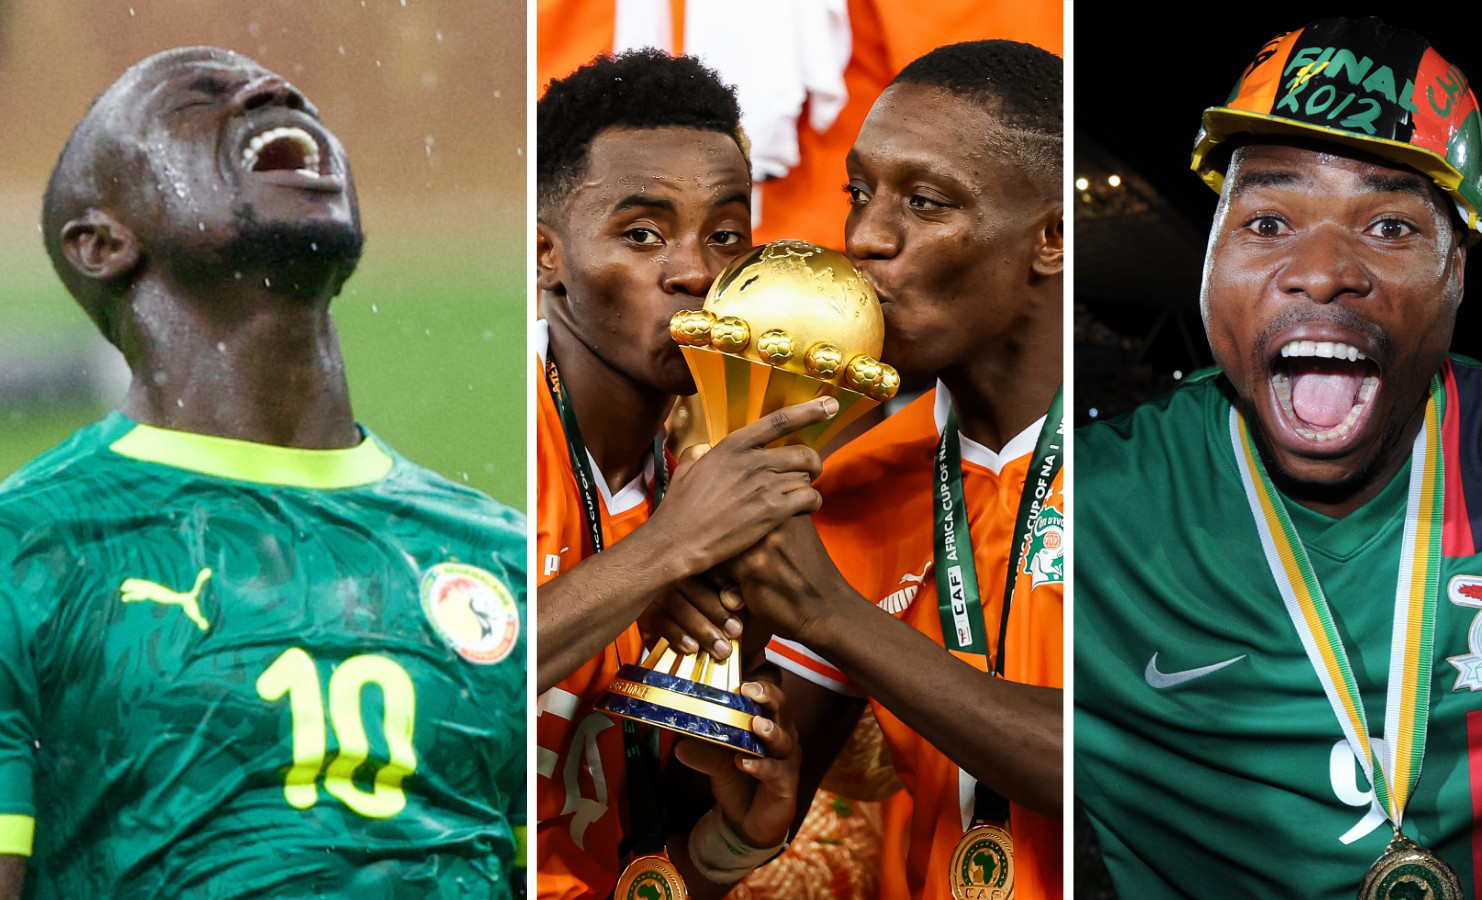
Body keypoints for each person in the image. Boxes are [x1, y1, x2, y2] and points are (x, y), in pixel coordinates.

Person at [1076, 16, 1482, 898]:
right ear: (1209, 255)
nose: (1321, 271)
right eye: (1269, 219)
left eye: (1390, 228)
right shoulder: (1087, 507)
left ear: (1458, 272)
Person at [0, 47, 525, 898]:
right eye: (192, 104)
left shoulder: (505, 560)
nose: (271, 90)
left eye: (286, 91)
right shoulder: (26, 555)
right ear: (102, 244)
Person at [654, 39, 1065, 899]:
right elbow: (732, 825)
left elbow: (1113, 764)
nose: (864, 238)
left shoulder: (1160, 469)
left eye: (923, 202)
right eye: (859, 193)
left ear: (1053, 237)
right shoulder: (856, 484)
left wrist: (829, 613)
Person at [533, 50, 832, 899]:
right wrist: (665, 551)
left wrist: (731, 841)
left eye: (726, 234)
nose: (696, 271)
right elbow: (441, 677)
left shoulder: (711, 483)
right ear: (547, 254)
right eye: (642, 233)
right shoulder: (494, 443)